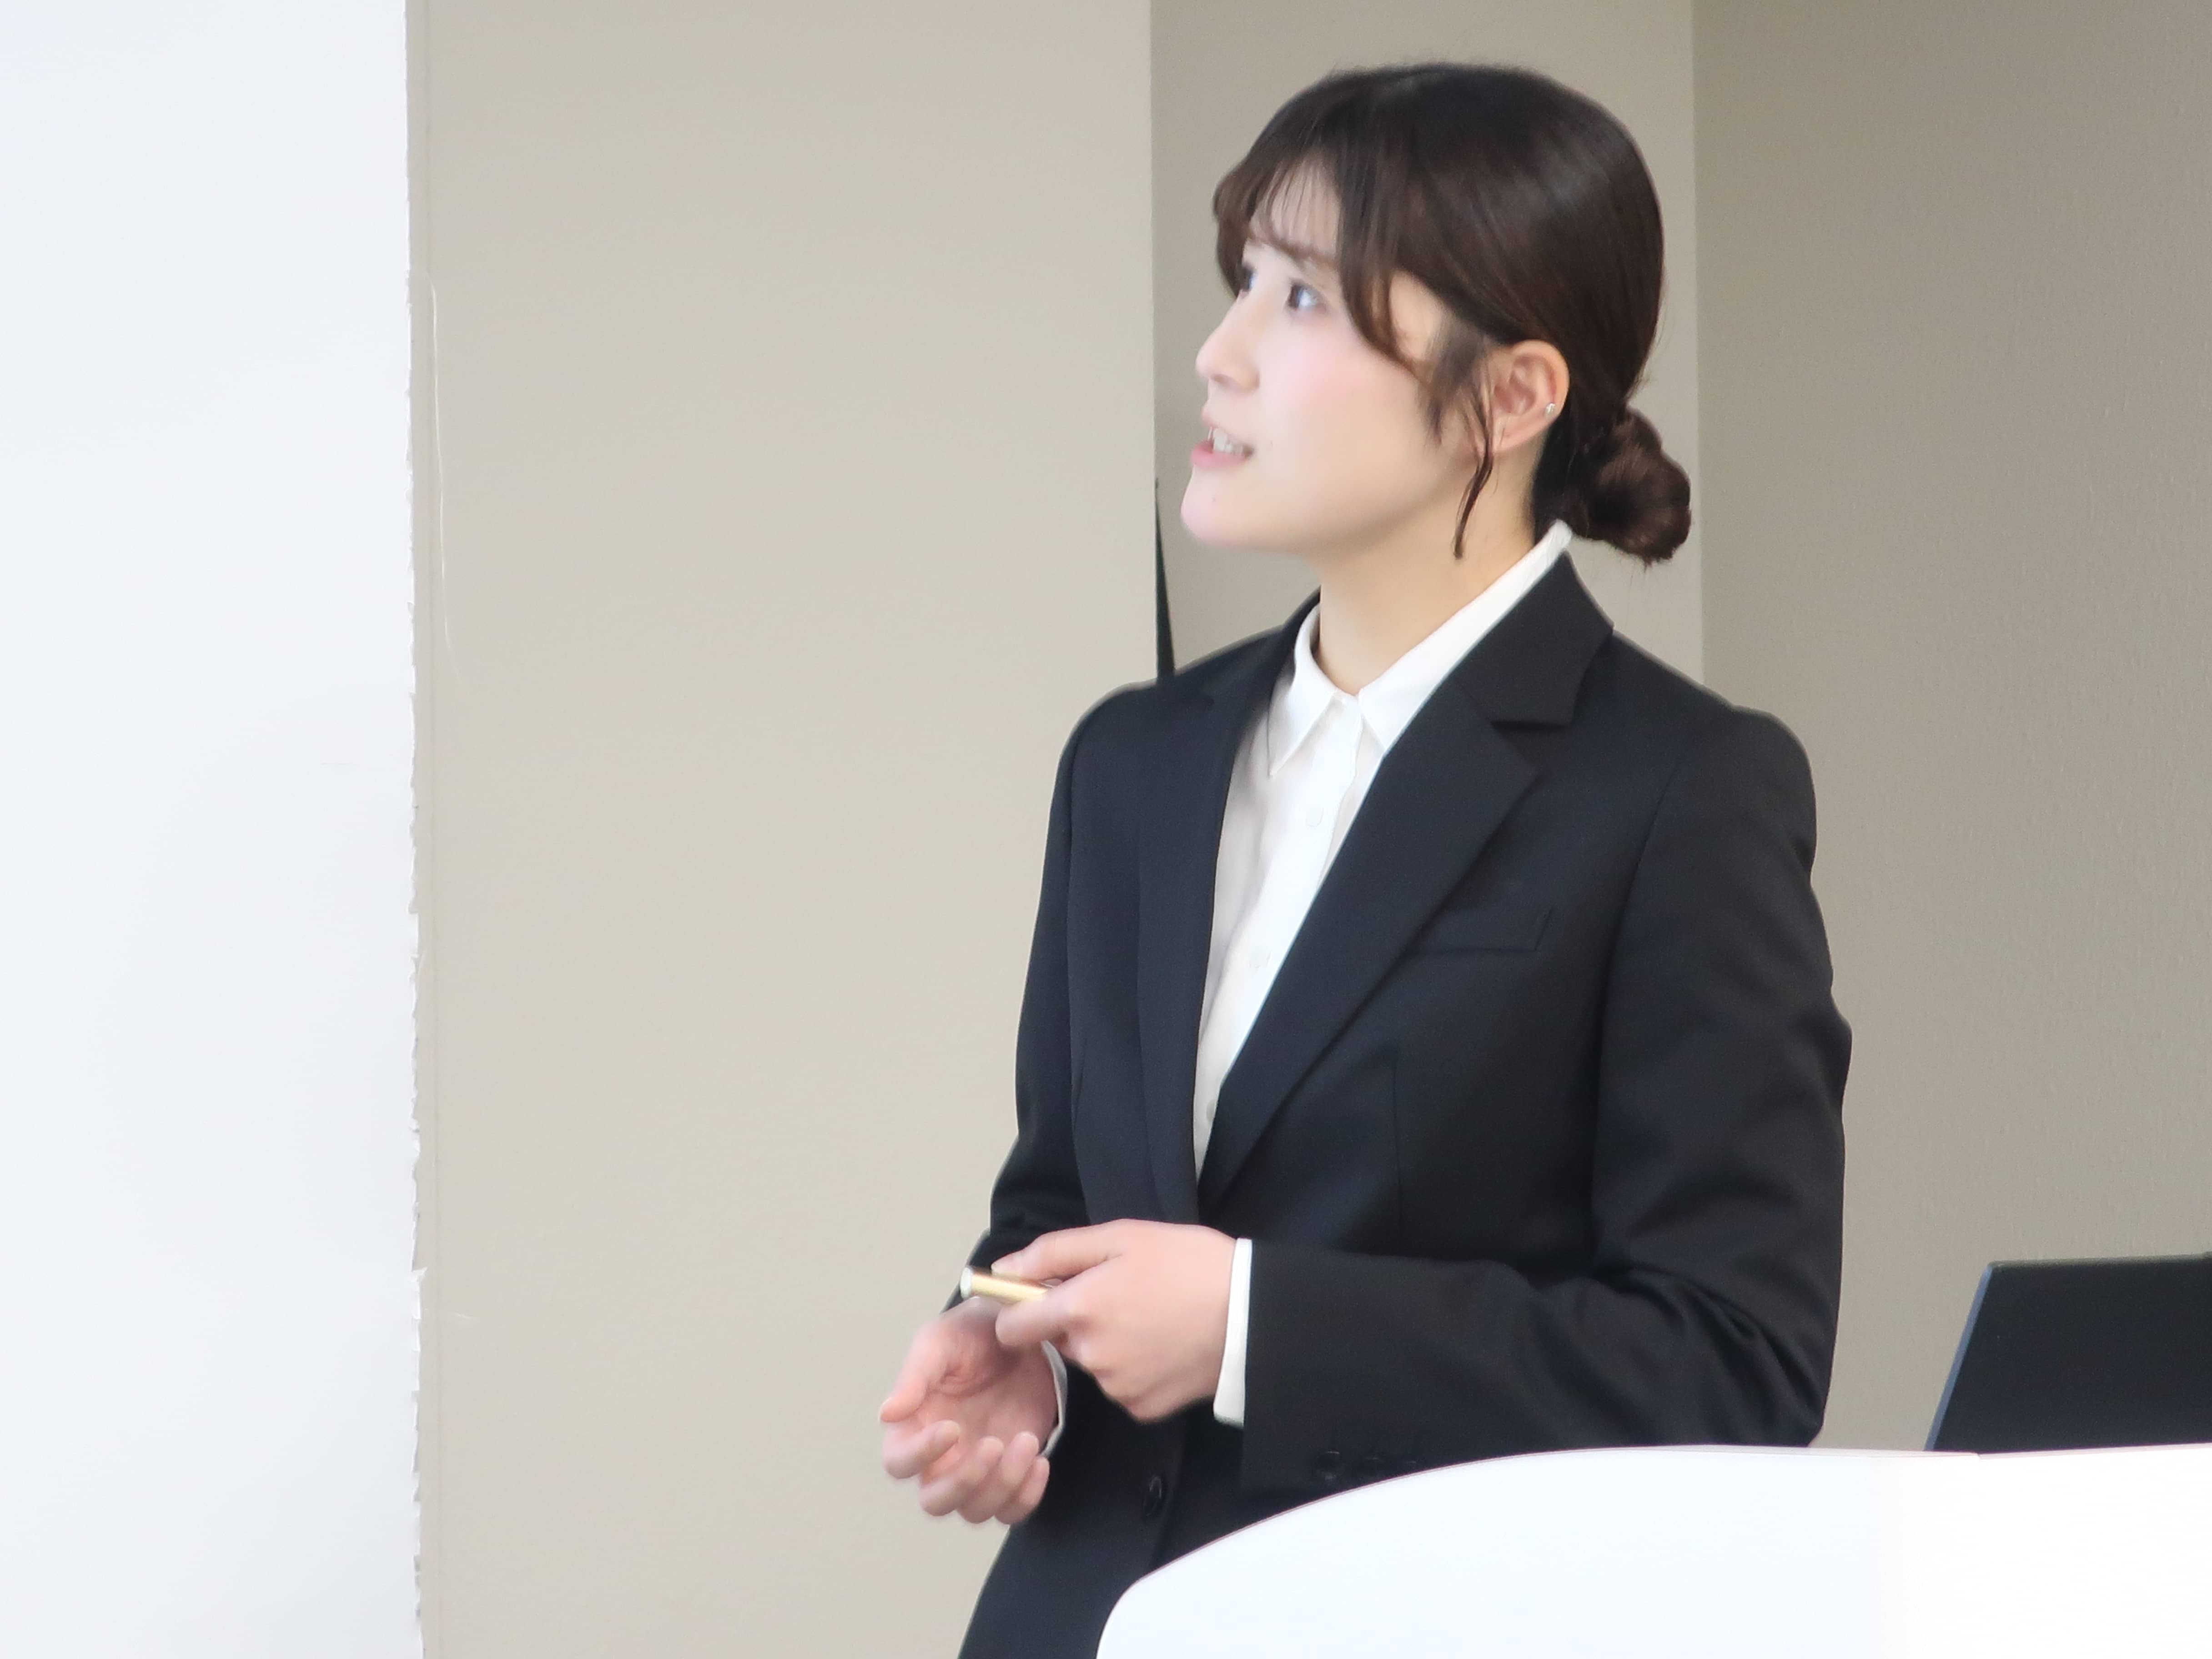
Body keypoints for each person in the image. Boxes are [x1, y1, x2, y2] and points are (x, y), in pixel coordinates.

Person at [878, 60, 1850, 1659]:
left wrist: (1252, 1328)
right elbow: (1061, 1197)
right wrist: (1024, 1346)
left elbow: (1729, 1360)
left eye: (1305, 298)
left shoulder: (1681, 790)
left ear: (1510, 398)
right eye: (1242, 280)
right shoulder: (1132, 761)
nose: (1222, 352)